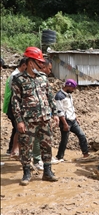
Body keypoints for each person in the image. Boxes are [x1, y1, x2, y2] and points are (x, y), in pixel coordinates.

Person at [12, 47, 59, 186]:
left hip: (45, 119)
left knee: (47, 145)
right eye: (38, 61)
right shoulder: (18, 79)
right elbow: (15, 102)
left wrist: (55, 113)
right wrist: (19, 121)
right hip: (28, 121)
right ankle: (27, 173)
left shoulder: (43, 78)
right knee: (26, 146)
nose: (41, 64)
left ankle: (47, 172)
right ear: (31, 62)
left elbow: (50, 97)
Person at [55, 79, 90, 161]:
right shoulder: (59, 96)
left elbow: (70, 107)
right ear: (68, 86)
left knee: (82, 135)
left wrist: (75, 117)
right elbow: (60, 111)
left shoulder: (69, 95)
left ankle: (86, 154)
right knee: (64, 140)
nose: (73, 90)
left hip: (73, 120)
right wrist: (64, 124)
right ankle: (59, 157)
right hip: (65, 121)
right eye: (73, 88)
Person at [3, 58, 27, 159]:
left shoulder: (16, 75)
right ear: (24, 65)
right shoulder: (15, 76)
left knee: (16, 128)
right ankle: (14, 150)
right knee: (18, 128)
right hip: (13, 106)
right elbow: (15, 95)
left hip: (12, 105)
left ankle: (11, 150)